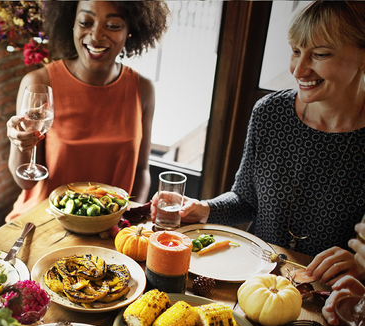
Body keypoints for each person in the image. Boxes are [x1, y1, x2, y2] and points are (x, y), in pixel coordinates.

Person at [151, 1, 365, 286]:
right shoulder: (270, 113)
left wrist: (360, 265)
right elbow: (245, 200)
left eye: (320, 54)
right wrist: (204, 208)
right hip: (253, 279)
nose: (299, 70)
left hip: (327, 293)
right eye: (296, 51)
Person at [5, 1, 170, 221]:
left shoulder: (143, 89)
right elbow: (27, 182)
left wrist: (130, 218)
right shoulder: (39, 83)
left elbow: (141, 171)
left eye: (112, 25)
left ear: (131, 30)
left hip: (108, 229)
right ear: (71, 23)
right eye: (85, 22)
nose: (96, 35)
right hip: (44, 223)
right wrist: (20, 145)